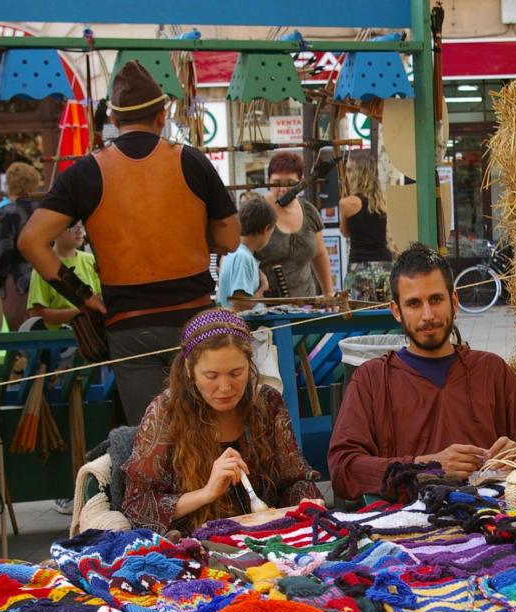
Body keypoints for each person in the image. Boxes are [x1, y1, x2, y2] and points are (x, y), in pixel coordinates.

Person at [18, 61, 239, 424]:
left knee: (150, 443)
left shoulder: (86, 172)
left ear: (114, 121)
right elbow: (229, 239)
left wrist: (82, 296)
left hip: (128, 326)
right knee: (203, 434)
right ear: (162, 115)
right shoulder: (192, 161)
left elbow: (31, 242)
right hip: (193, 321)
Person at [327, 244, 516, 500]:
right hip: (408, 529)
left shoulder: (490, 370)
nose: (428, 315)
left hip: (491, 520)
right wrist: (427, 467)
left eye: (436, 299)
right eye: (414, 304)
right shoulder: (373, 379)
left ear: (454, 301)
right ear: (396, 310)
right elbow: (344, 469)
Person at [122, 309, 322, 535]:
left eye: (236, 373)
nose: (225, 387)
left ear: (250, 365)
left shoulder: (267, 402)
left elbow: (294, 480)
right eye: (211, 376)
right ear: (190, 369)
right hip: (194, 545)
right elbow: (137, 507)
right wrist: (207, 493)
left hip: (268, 537)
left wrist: (308, 502)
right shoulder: (166, 412)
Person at [256, 152, 333, 298]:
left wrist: (329, 293)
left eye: (290, 183)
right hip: (267, 305)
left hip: (307, 303)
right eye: (277, 183)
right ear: (268, 181)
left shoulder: (309, 211)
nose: (283, 189)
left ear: (301, 182)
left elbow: (320, 254)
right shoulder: (257, 211)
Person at [0, 162, 43, 330]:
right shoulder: (45, 208)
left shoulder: (7, 212)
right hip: (47, 277)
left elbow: (2, 250)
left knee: (22, 333)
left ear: (10, 184)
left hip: (19, 281)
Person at [339, 150, 392, 303]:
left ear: (358, 172)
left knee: (360, 315)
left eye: (349, 170)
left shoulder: (346, 203)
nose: (346, 174)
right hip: (385, 265)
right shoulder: (382, 200)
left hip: (359, 266)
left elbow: (345, 232)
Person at [26, 223, 101, 329]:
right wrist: (79, 313)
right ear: (54, 231)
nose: (79, 230)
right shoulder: (43, 267)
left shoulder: (91, 260)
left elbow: (100, 298)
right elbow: (36, 314)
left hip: (92, 334)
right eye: (72, 226)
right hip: (59, 341)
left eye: (81, 225)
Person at [217, 196, 273, 311]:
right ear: (266, 229)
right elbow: (240, 305)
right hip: (241, 326)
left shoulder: (232, 252)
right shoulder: (243, 257)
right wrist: (263, 287)